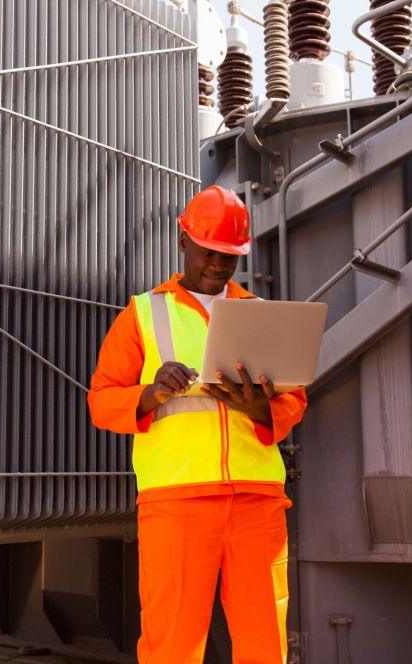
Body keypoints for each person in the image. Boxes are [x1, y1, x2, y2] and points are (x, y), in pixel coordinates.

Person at [88, 185, 307, 663]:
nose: (217, 267)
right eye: (208, 253)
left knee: (265, 640)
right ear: (183, 241)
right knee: (172, 643)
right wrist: (149, 394)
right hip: (178, 501)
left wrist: (261, 411)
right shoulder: (142, 314)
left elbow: (294, 400)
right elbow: (101, 402)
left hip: (256, 499)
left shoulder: (260, 314)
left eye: (229, 258)